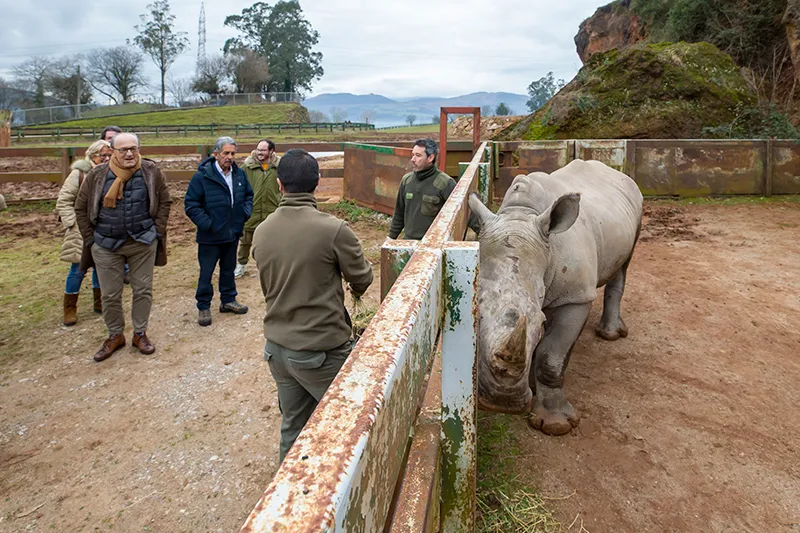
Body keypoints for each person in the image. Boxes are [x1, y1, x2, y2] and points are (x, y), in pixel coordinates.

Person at [252, 148, 373, 462]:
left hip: (277, 348)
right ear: (318, 182)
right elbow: (361, 277)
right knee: (349, 422)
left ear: (279, 184)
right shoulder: (332, 229)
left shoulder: (262, 232)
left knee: (293, 425)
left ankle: (287, 495)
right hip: (321, 351)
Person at [75, 133, 172, 362]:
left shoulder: (151, 171)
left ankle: (140, 333)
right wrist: (91, 239)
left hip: (142, 243)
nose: (129, 154)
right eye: (123, 150)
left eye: (133, 149)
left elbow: (166, 201)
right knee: (110, 294)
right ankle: (115, 335)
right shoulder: (98, 175)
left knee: (143, 290)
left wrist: (157, 232)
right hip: (106, 245)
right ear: (112, 151)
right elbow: (80, 207)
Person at [184, 136, 253, 327]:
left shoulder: (239, 175)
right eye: (226, 153)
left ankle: (228, 300)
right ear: (216, 154)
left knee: (228, 269)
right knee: (206, 272)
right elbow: (191, 204)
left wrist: (243, 214)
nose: (229, 157)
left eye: (232, 153)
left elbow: (248, 195)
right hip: (210, 236)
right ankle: (204, 306)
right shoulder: (202, 176)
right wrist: (207, 224)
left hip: (232, 232)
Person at [55, 139, 112, 326]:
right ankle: (70, 308)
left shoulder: (111, 172)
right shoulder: (79, 174)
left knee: (100, 266)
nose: (105, 158)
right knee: (78, 269)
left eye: (108, 155)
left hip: (103, 227)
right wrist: (73, 223)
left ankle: (100, 302)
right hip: (81, 229)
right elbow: (64, 200)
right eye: (101, 155)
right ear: (92, 155)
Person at [388, 138, 457, 240]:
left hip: (433, 245)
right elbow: (399, 213)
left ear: (430, 158)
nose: (413, 159)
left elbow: (459, 215)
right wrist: (391, 238)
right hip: (409, 242)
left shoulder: (445, 183)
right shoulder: (407, 181)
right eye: (413, 155)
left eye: (418, 155)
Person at [235, 139, 280, 279]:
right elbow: (238, 186)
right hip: (251, 210)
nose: (259, 153)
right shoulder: (247, 167)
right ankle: (241, 265)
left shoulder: (279, 166)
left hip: (272, 209)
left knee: (272, 240)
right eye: (258, 149)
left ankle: (271, 267)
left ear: (271, 151)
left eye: (263, 150)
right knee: (246, 239)